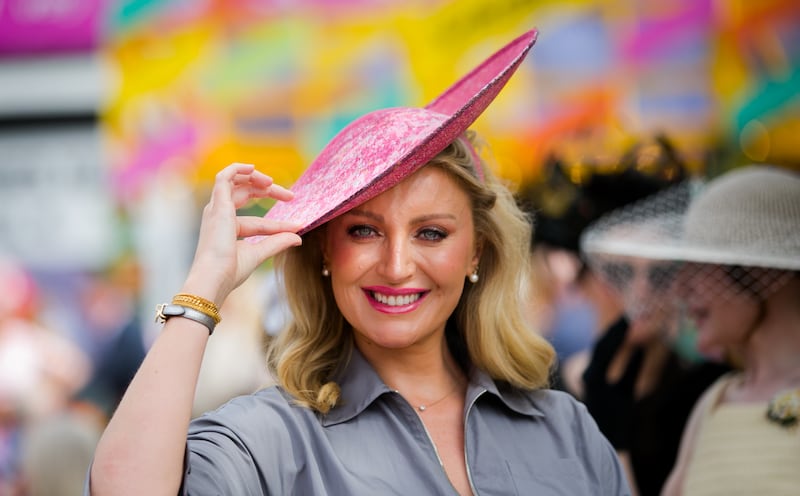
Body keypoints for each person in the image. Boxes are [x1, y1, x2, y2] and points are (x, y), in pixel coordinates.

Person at [86, 29, 631, 495]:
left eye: (431, 233)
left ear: (477, 252)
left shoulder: (567, 430)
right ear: (326, 250)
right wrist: (206, 284)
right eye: (365, 231)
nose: (396, 266)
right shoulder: (275, 438)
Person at [581, 165, 800, 495]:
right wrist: (614, 440)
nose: (681, 288)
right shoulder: (714, 402)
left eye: (701, 264)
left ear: (761, 270)